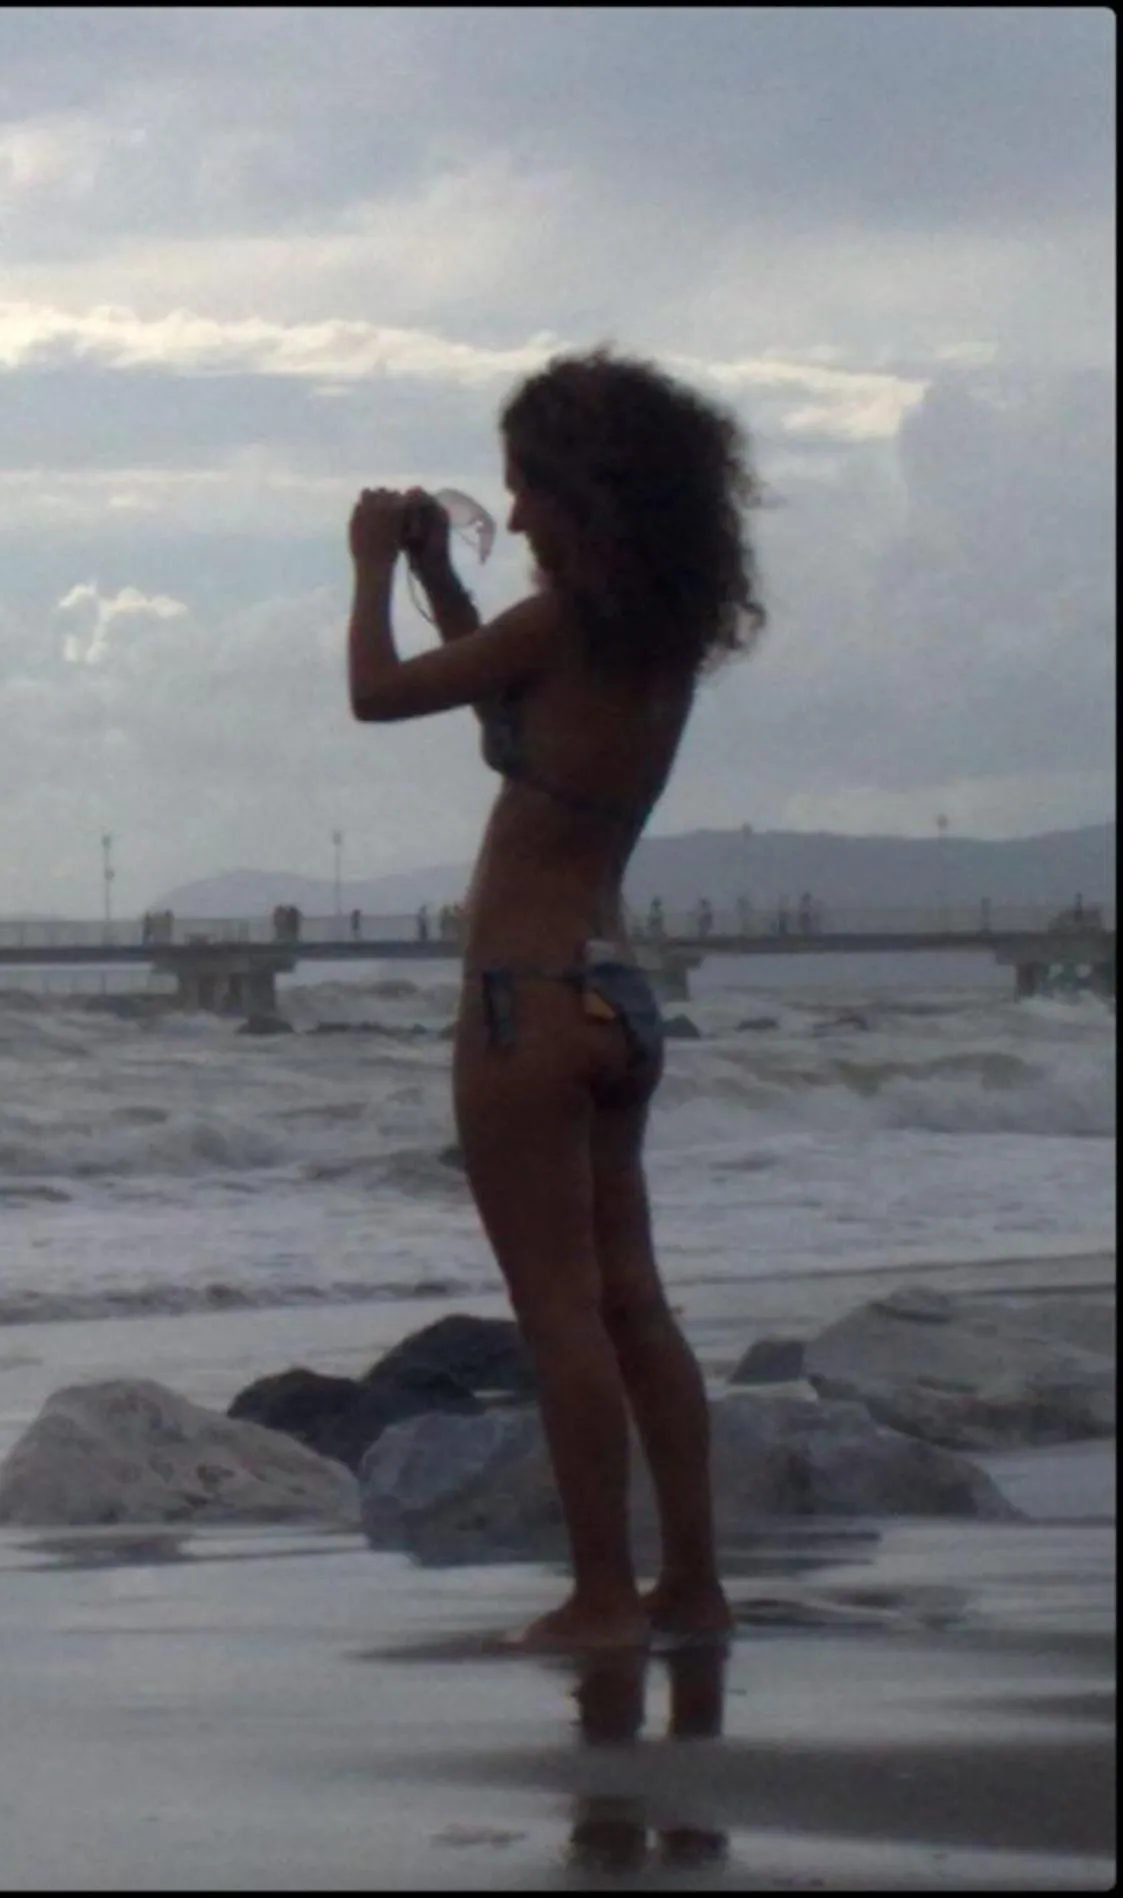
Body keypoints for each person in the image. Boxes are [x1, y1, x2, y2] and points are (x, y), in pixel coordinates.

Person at [344, 348, 762, 1653]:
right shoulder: (648, 637)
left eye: (524, 489)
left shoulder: (559, 625)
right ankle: (687, 1584)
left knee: (558, 1311)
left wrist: (365, 563)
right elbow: (505, 710)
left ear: (585, 493)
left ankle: (597, 1595)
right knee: (633, 1297)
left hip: (521, 999)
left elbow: (376, 696)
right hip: (615, 994)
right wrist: (437, 575)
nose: (511, 512)